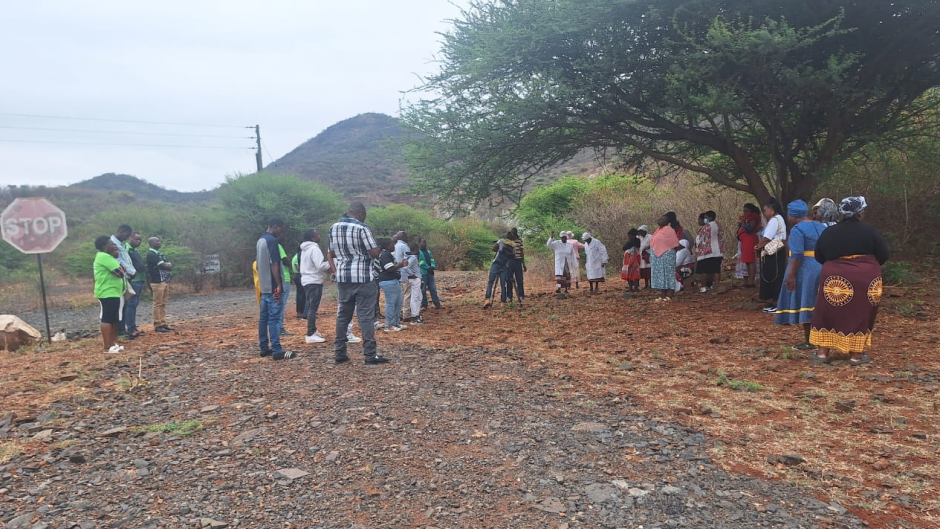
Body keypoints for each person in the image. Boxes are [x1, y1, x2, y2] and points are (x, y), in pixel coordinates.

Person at [809, 196, 890, 366]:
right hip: (865, 278)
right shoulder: (870, 232)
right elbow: (883, 254)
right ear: (860, 213)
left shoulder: (829, 232)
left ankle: (822, 354)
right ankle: (856, 356)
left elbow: (819, 256)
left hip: (834, 279)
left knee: (827, 312)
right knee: (861, 312)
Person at [329, 202, 387, 365]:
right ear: (361, 214)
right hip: (363, 277)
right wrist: (378, 247)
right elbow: (374, 253)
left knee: (343, 316)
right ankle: (370, 355)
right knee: (366, 317)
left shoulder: (333, 228)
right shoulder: (362, 228)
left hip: (343, 278)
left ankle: (339, 352)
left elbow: (331, 252)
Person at [774, 200, 827, 349]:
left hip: (805, 270)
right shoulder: (820, 226)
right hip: (822, 266)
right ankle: (822, 340)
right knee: (817, 303)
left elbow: (797, 255)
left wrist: (791, 275)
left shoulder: (798, 230)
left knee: (806, 302)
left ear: (792, 216)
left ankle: (809, 341)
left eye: (789, 215)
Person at [256, 218, 295, 360]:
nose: (282, 232)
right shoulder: (272, 241)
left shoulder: (260, 240)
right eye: (281, 228)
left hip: (265, 286)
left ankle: (264, 348)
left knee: (263, 318)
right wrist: (279, 284)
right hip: (273, 287)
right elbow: (274, 264)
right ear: (275, 226)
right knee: (274, 318)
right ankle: (277, 350)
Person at [93, 235, 127, 354]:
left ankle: (113, 343)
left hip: (114, 292)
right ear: (104, 246)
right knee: (107, 318)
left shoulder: (109, 257)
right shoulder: (103, 256)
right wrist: (121, 266)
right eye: (111, 244)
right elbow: (120, 272)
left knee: (114, 318)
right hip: (107, 292)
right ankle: (107, 345)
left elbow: (121, 270)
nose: (114, 246)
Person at [299, 229, 331, 344]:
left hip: (307, 280)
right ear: (313, 238)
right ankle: (310, 333)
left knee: (312, 306)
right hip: (314, 281)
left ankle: (313, 331)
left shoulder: (305, 249)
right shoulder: (314, 248)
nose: (319, 236)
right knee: (313, 308)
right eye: (317, 234)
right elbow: (320, 266)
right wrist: (333, 261)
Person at [756, 199, 787, 313]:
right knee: (775, 275)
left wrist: (759, 246)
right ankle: (773, 302)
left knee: (772, 276)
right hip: (778, 251)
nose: (764, 213)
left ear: (772, 210)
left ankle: (776, 303)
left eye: (765, 210)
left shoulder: (774, 220)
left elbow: (767, 237)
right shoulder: (780, 219)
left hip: (773, 251)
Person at [377, 238, 409, 331]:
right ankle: (389, 325)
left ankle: (396, 322)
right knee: (391, 303)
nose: (394, 246)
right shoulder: (384, 255)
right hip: (388, 281)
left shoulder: (388, 254)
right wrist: (400, 264)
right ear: (387, 246)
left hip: (393, 280)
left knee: (398, 302)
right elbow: (389, 268)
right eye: (392, 244)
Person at [118, 232, 145, 339]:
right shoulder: (126, 250)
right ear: (130, 238)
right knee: (130, 304)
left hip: (140, 280)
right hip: (133, 280)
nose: (138, 242)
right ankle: (130, 328)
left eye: (140, 240)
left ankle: (132, 327)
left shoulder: (135, 250)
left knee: (133, 304)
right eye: (136, 239)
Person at [146, 236, 174, 333]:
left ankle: (163, 322)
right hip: (157, 281)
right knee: (157, 303)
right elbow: (164, 265)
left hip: (164, 281)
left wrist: (165, 266)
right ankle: (157, 324)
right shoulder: (151, 254)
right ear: (151, 243)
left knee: (163, 303)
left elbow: (168, 265)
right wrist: (165, 265)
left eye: (159, 240)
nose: (159, 242)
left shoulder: (159, 254)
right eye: (157, 241)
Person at [650, 215, 680, 301]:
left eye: (662, 219)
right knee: (660, 274)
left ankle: (670, 294)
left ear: (667, 222)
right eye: (659, 218)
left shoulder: (669, 230)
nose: (659, 219)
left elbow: (674, 242)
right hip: (657, 257)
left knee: (668, 273)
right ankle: (663, 294)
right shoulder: (658, 230)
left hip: (667, 255)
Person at [695, 210, 725, 292]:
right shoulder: (719, 226)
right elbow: (722, 238)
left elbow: (699, 239)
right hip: (718, 252)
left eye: (705, 217)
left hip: (706, 252)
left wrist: (697, 249)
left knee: (704, 270)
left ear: (710, 217)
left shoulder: (706, 227)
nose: (705, 219)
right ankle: (716, 286)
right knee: (716, 270)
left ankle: (704, 287)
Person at [483, 232, 515, 307]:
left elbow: (494, 248)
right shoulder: (513, 246)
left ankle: (487, 299)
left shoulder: (501, 241)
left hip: (496, 263)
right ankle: (503, 302)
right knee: (503, 285)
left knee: (490, 282)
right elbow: (513, 256)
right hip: (504, 266)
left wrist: (498, 250)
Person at [737, 204, 762, 287]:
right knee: (747, 261)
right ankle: (748, 281)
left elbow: (749, 229)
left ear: (751, 211)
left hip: (750, 240)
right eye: (744, 211)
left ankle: (751, 281)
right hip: (744, 241)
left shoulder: (753, 217)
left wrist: (743, 223)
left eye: (746, 211)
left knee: (751, 260)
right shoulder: (746, 218)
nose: (744, 213)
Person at [419, 238, 442, 310]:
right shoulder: (418, 252)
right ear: (419, 243)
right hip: (423, 273)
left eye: (425, 242)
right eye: (423, 242)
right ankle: (424, 304)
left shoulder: (428, 252)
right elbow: (420, 262)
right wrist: (428, 267)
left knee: (433, 289)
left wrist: (432, 266)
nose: (425, 244)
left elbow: (432, 259)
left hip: (430, 272)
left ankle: (437, 304)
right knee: (423, 290)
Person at [505, 228, 526, 307]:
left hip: (518, 261)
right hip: (510, 261)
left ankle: (521, 295)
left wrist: (523, 264)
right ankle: (509, 296)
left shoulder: (519, 240)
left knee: (519, 279)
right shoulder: (508, 240)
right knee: (509, 279)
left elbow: (521, 251)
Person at [405, 242, 424, 324]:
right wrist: (412, 274)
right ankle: (414, 317)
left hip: (415, 278)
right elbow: (406, 267)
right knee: (415, 298)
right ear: (416, 250)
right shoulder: (413, 258)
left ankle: (416, 314)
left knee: (419, 297)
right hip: (415, 279)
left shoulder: (410, 257)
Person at [276, 242, 292, 335]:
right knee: (281, 305)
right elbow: (285, 260)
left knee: (276, 304)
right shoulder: (278, 245)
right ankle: (280, 328)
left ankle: (276, 327)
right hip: (283, 278)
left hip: (275, 279)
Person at [291, 246, 306, 319]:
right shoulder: (298, 257)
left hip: (297, 276)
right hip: (299, 275)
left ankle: (301, 311)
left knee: (300, 294)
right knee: (301, 295)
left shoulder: (295, 257)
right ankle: (300, 312)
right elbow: (298, 267)